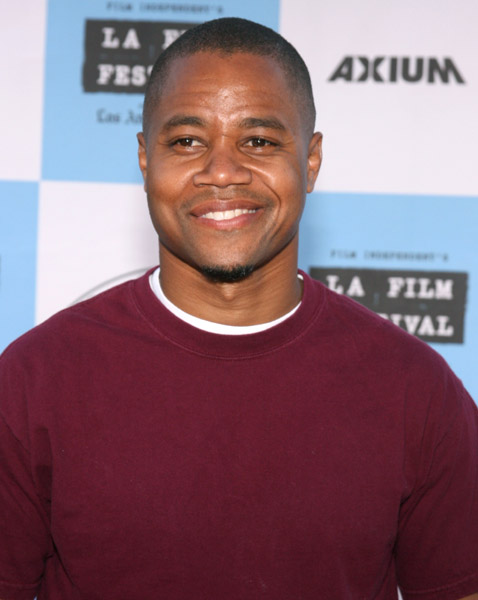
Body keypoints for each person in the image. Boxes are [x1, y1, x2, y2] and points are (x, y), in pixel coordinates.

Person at [0, 17, 477, 600]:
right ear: (146, 161)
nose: (222, 172)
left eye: (259, 141)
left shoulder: (415, 388)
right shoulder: (33, 380)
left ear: (311, 161)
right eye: (187, 141)